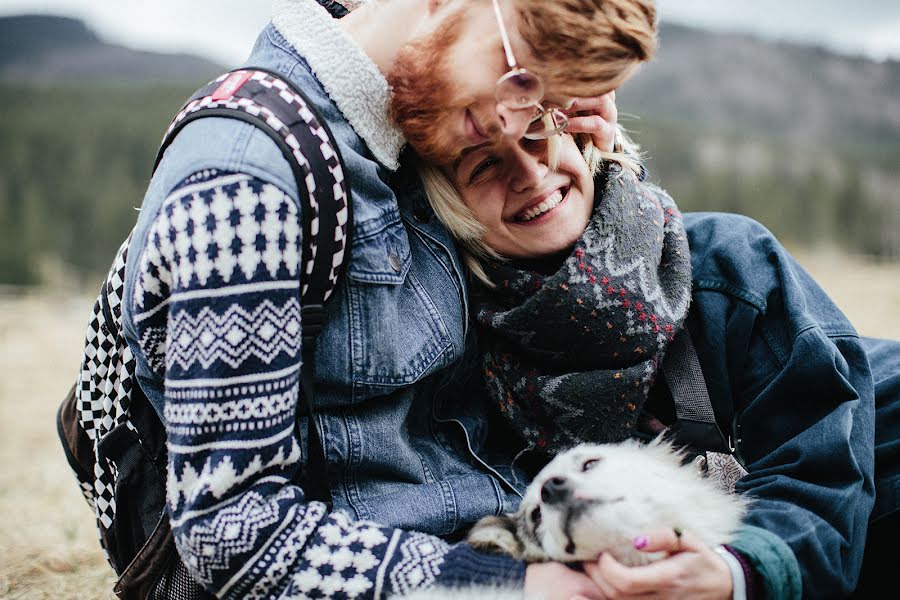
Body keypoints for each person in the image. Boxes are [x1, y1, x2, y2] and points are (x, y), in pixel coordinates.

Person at [116, 0, 661, 598]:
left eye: (544, 106)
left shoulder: (416, 115)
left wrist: (606, 169)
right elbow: (232, 531)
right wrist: (510, 585)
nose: (516, 123)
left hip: (511, 524)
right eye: (520, 73)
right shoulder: (247, 182)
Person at [414, 105, 900, 597]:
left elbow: (820, 466)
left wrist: (736, 574)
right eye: (484, 166)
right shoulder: (450, 358)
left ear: (581, 138)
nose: (529, 173)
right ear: (452, 208)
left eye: (537, 134)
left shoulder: (731, 267)